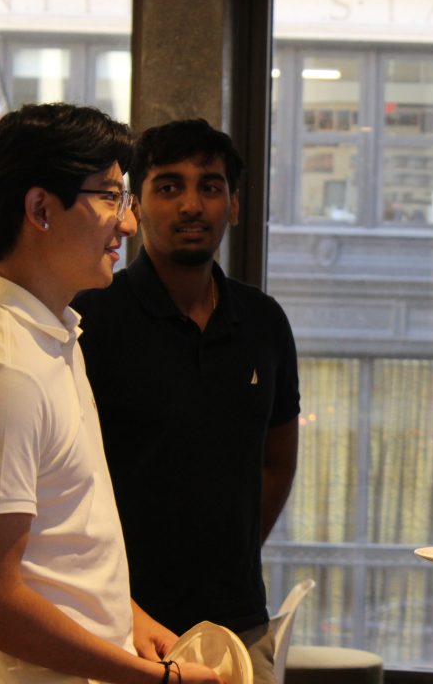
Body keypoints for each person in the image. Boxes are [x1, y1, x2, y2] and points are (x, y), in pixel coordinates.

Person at [0, 104, 222, 684]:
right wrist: (155, 680)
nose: (128, 224)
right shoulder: (2, 369)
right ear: (40, 209)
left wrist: (129, 621)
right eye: (110, 197)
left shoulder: (52, 333)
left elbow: (61, 547)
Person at [73, 118, 300, 684]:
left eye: (211, 186)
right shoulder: (90, 318)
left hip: (238, 622)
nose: (192, 205)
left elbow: (277, 460)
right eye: (169, 186)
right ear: (136, 205)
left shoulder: (264, 321)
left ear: (235, 205)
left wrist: (231, 547)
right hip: (119, 626)